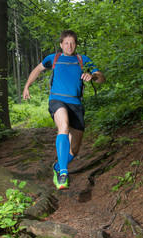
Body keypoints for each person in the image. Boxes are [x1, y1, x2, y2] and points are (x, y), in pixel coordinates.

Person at [22, 30, 105, 190]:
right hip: (57, 99)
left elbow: (101, 77)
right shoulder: (53, 58)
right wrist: (26, 86)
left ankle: (58, 167)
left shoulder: (83, 60)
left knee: (74, 149)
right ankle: (64, 174)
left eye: (72, 43)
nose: (69, 46)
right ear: (61, 45)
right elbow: (37, 70)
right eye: (66, 43)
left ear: (76, 44)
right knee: (64, 127)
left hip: (76, 104)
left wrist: (92, 76)